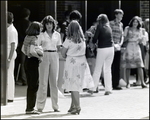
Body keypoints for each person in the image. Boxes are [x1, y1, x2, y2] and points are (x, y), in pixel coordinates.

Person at [61, 20, 94, 114]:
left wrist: (66, 54)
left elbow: (63, 53)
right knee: (75, 85)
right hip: (82, 63)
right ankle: (72, 106)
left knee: (73, 86)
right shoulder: (83, 40)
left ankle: (77, 107)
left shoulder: (68, 40)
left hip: (72, 63)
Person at [36, 15, 62, 112]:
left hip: (54, 55)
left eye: (50, 23)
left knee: (54, 82)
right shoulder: (41, 35)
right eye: (47, 24)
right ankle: (40, 106)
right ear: (44, 25)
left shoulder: (57, 35)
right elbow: (37, 46)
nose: (49, 25)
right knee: (43, 81)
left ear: (53, 24)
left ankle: (56, 106)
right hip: (44, 55)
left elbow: (59, 47)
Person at [22, 21, 43, 114]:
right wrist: (39, 57)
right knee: (34, 85)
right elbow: (32, 51)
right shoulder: (34, 38)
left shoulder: (27, 37)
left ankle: (29, 107)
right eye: (40, 28)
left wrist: (28, 54)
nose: (41, 29)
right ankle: (30, 108)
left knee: (30, 85)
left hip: (27, 61)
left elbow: (24, 49)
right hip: (33, 62)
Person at [122, 16, 148, 88]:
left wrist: (141, 39)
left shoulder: (140, 30)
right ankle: (127, 83)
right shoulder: (127, 28)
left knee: (140, 65)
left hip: (137, 47)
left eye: (137, 22)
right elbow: (124, 39)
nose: (135, 23)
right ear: (132, 22)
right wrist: (128, 37)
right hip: (129, 46)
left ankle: (142, 82)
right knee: (128, 65)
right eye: (134, 22)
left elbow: (143, 41)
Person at [92, 14, 114, 95]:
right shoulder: (109, 27)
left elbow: (95, 39)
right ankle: (108, 89)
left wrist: (92, 37)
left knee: (98, 69)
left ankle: (93, 88)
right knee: (107, 69)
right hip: (111, 49)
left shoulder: (99, 27)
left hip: (102, 49)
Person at [14, 8, 31, 86]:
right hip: (26, 44)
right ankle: (25, 79)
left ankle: (17, 78)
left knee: (18, 62)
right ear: (28, 15)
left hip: (19, 44)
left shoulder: (17, 23)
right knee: (26, 63)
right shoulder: (29, 24)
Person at [109, 9, 124, 90]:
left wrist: (120, 44)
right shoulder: (111, 23)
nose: (121, 16)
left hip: (118, 46)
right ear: (116, 15)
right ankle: (109, 83)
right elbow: (109, 34)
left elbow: (122, 36)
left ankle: (116, 84)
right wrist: (113, 44)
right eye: (120, 14)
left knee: (117, 66)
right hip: (111, 46)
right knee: (111, 65)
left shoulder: (121, 24)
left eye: (122, 14)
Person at [7, 12, 18, 102]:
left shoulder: (12, 31)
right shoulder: (8, 29)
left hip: (9, 55)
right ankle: (7, 95)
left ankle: (10, 96)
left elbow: (13, 46)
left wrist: (8, 59)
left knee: (9, 75)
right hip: (7, 54)